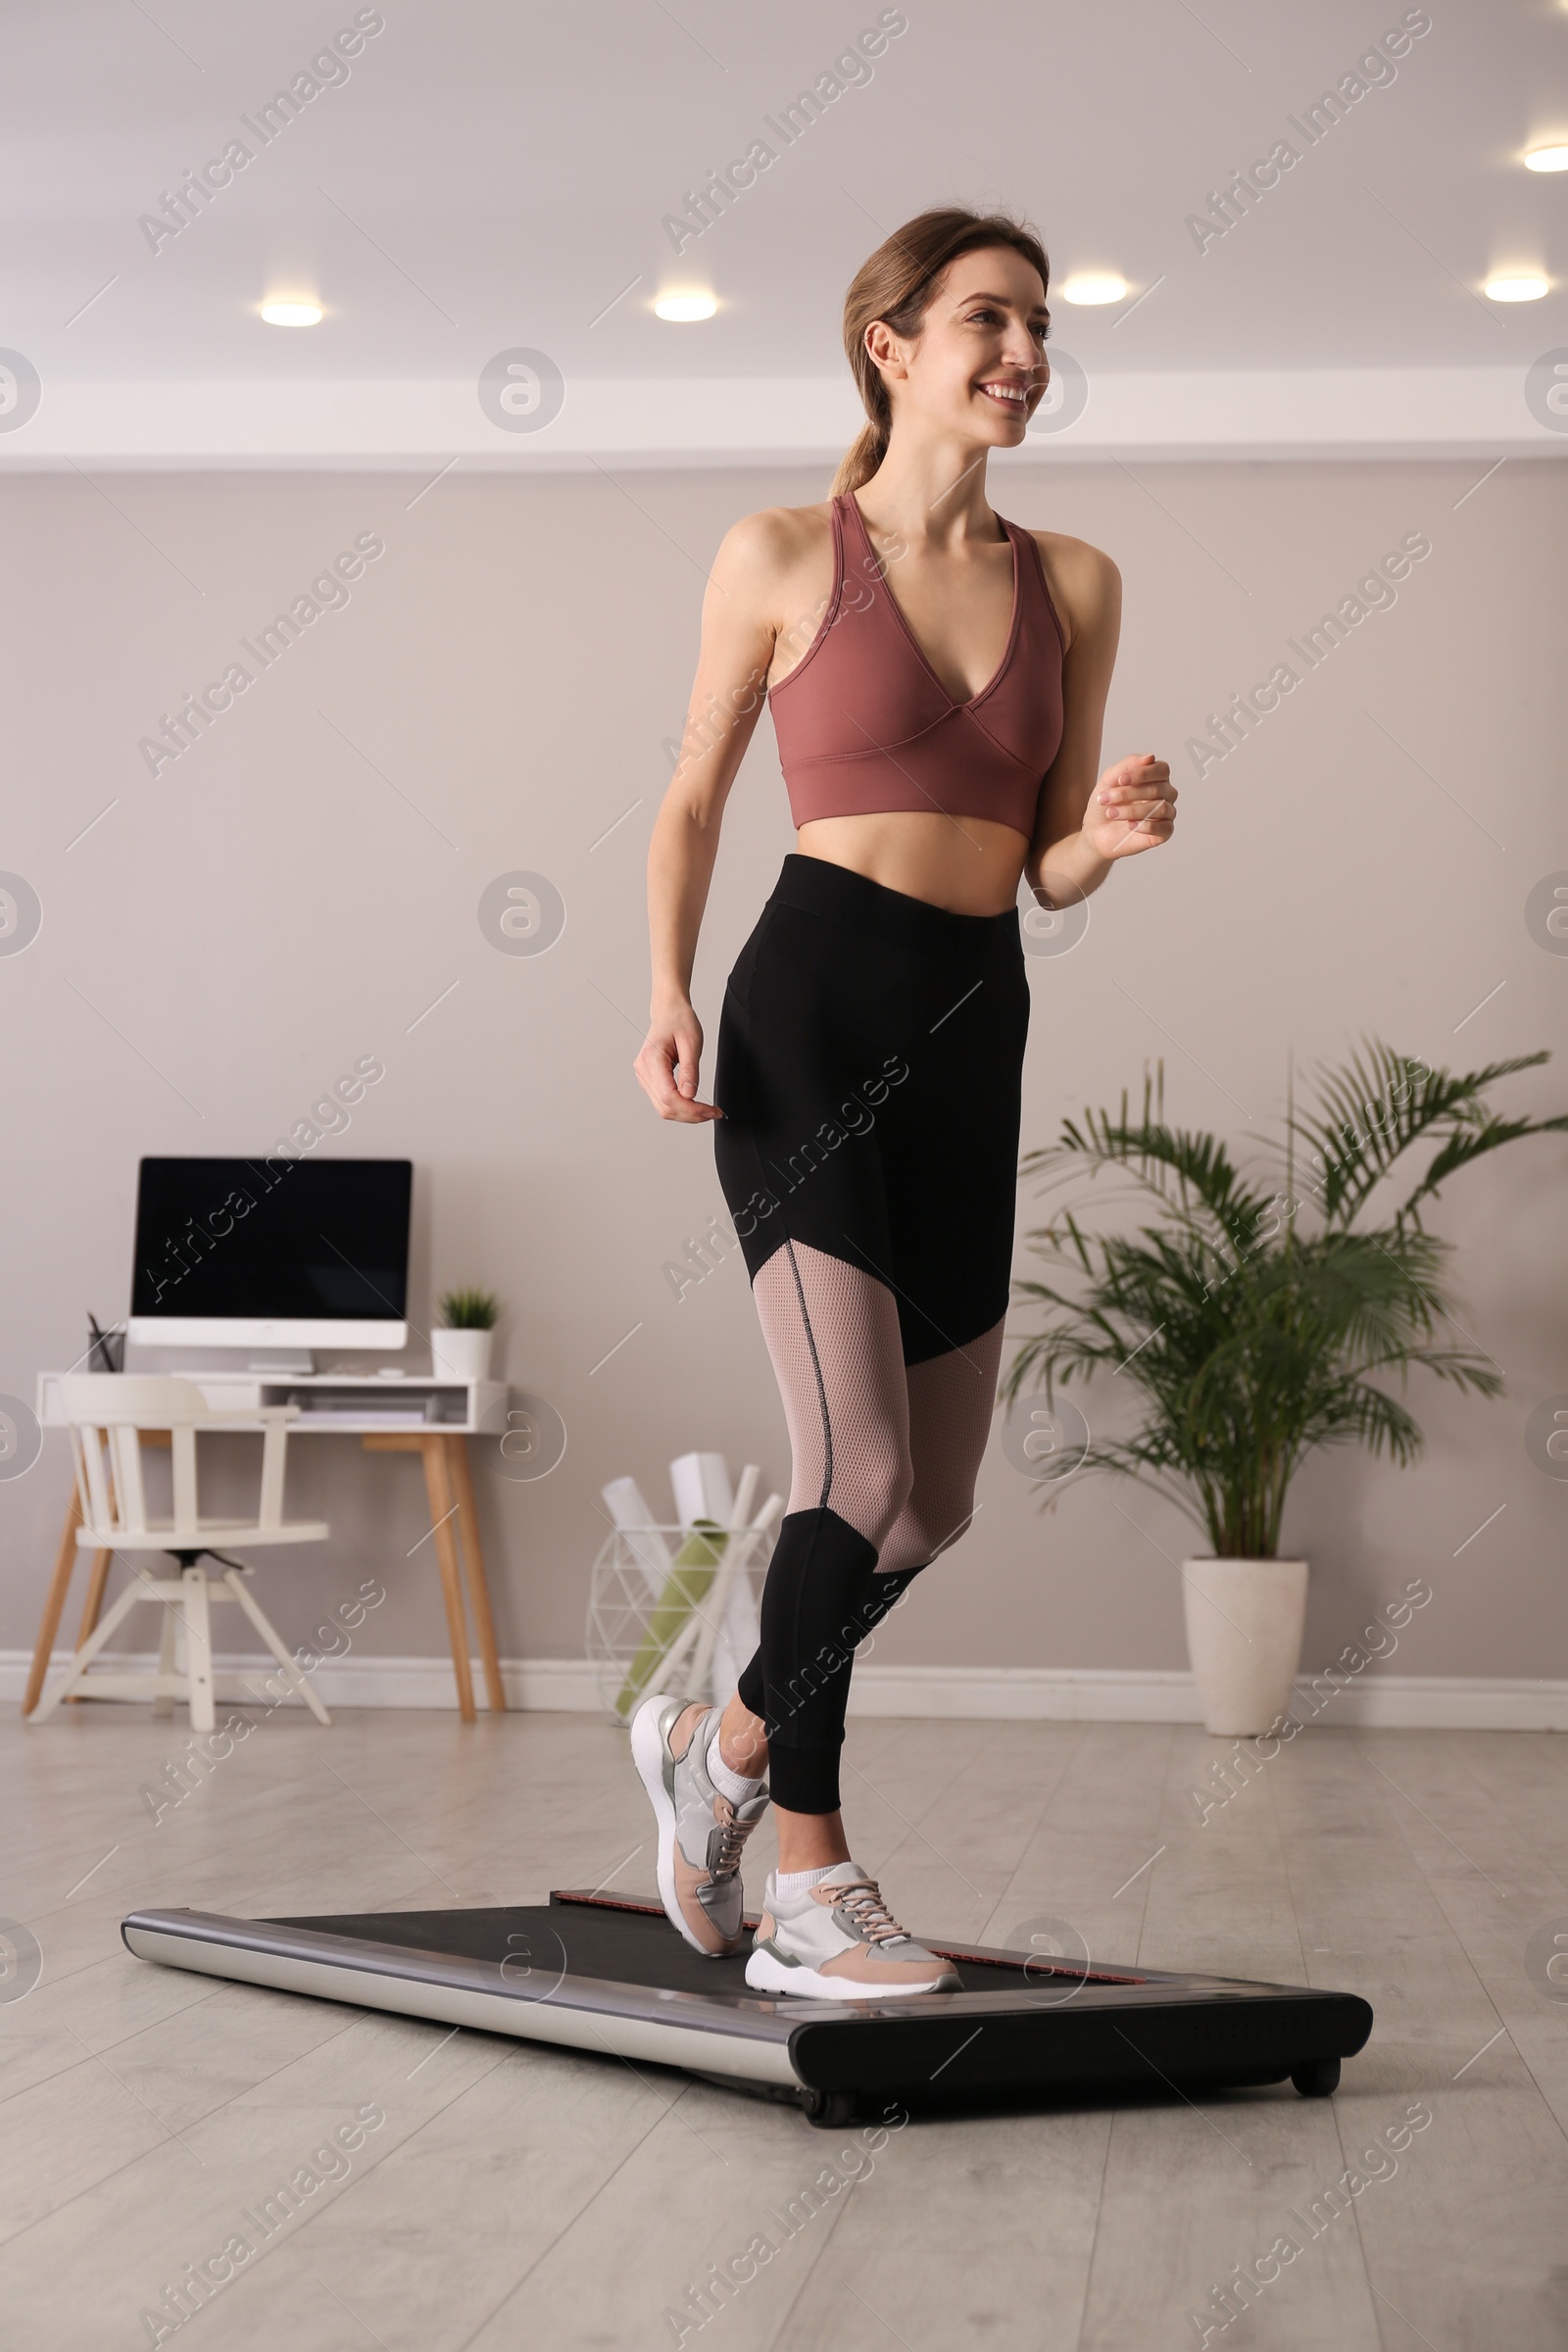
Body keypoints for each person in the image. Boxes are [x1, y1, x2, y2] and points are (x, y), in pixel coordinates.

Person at [630, 206, 1177, 2000]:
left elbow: (1046, 864)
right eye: (991, 322)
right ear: (893, 341)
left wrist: (1106, 836)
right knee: (849, 1469)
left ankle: (713, 1756)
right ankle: (808, 1885)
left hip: (970, 1024)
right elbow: (697, 794)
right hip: (804, 1012)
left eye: (1040, 327)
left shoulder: (1074, 580)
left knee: (930, 1503)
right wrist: (662, 988)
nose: (1025, 355)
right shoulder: (784, 552)